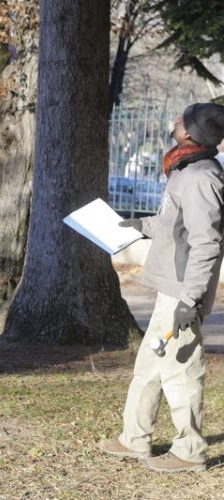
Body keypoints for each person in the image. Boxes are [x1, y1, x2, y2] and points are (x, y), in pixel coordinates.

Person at [100, 102, 224, 473]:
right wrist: (142, 225)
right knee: (150, 364)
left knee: (181, 369)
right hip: (170, 287)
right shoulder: (184, 169)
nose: (174, 121)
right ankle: (134, 438)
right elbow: (176, 221)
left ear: (190, 133)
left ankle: (189, 452)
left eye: (180, 118)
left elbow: (207, 242)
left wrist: (190, 300)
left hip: (182, 291)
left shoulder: (203, 177)